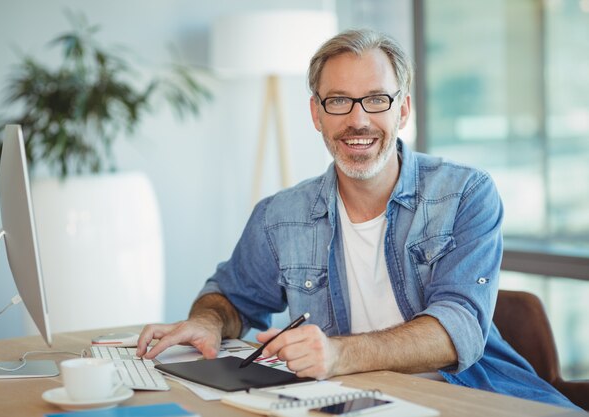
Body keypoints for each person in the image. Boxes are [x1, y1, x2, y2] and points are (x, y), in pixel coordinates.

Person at [137, 29, 577, 409]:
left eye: (376, 99)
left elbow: (456, 330)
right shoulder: (280, 216)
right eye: (339, 101)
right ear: (316, 114)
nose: (358, 119)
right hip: (344, 404)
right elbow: (231, 297)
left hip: (470, 397)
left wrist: (336, 354)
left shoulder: (465, 194)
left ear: (402, 109)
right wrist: (206, 322)